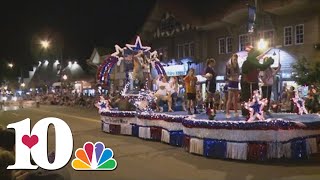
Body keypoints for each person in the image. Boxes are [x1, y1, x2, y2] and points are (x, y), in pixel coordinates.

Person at [240, 47, 274, 118]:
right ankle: (247, 112)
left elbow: (261, 64)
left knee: (255, 97)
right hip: (247, 82)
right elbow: (262, 66)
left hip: (253, 81)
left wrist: (267, 50)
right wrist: (269, 62)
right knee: (248, 97)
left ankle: (255, 112)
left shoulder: (253, 60)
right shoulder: (250, 61)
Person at [225, 53, 240, 118]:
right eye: (234, 59)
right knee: (230, 98)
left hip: (236, 82)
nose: (235, 60)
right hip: (231, 82)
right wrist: (231, 76)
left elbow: (239, 73)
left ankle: (236, 112)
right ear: (232, 58)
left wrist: (237, 75)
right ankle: (227, 113)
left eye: (236, 59)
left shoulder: (237, 65)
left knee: (236, 99)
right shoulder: (228, 65)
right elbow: (226, 74)